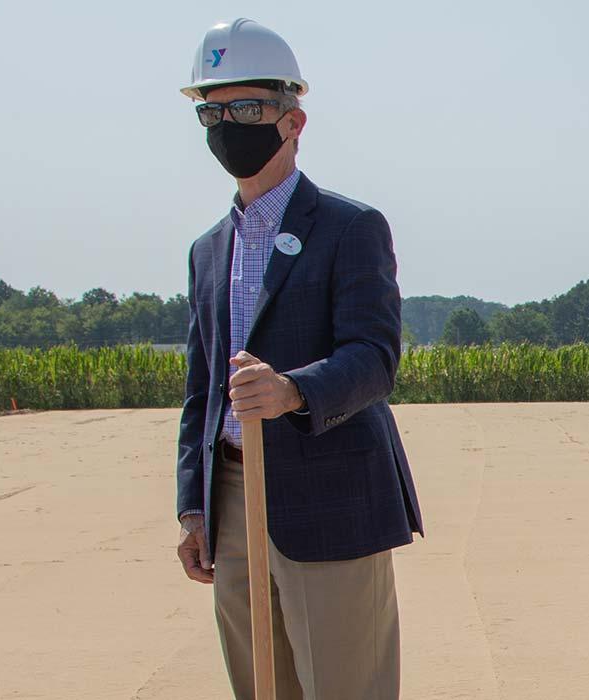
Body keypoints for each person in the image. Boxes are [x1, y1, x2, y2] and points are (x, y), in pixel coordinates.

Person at [171, 18, 424, 699]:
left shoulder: (349, 228)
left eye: (248, 108)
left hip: (330, 497)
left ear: (293, 119)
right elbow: (201, 387)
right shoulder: (206, 251)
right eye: (213, 111)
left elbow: (375, 358)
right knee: (261, 686)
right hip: (231, 497)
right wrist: (193, 508)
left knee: (346, 685)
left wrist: (291, 390)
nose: (229, 124)